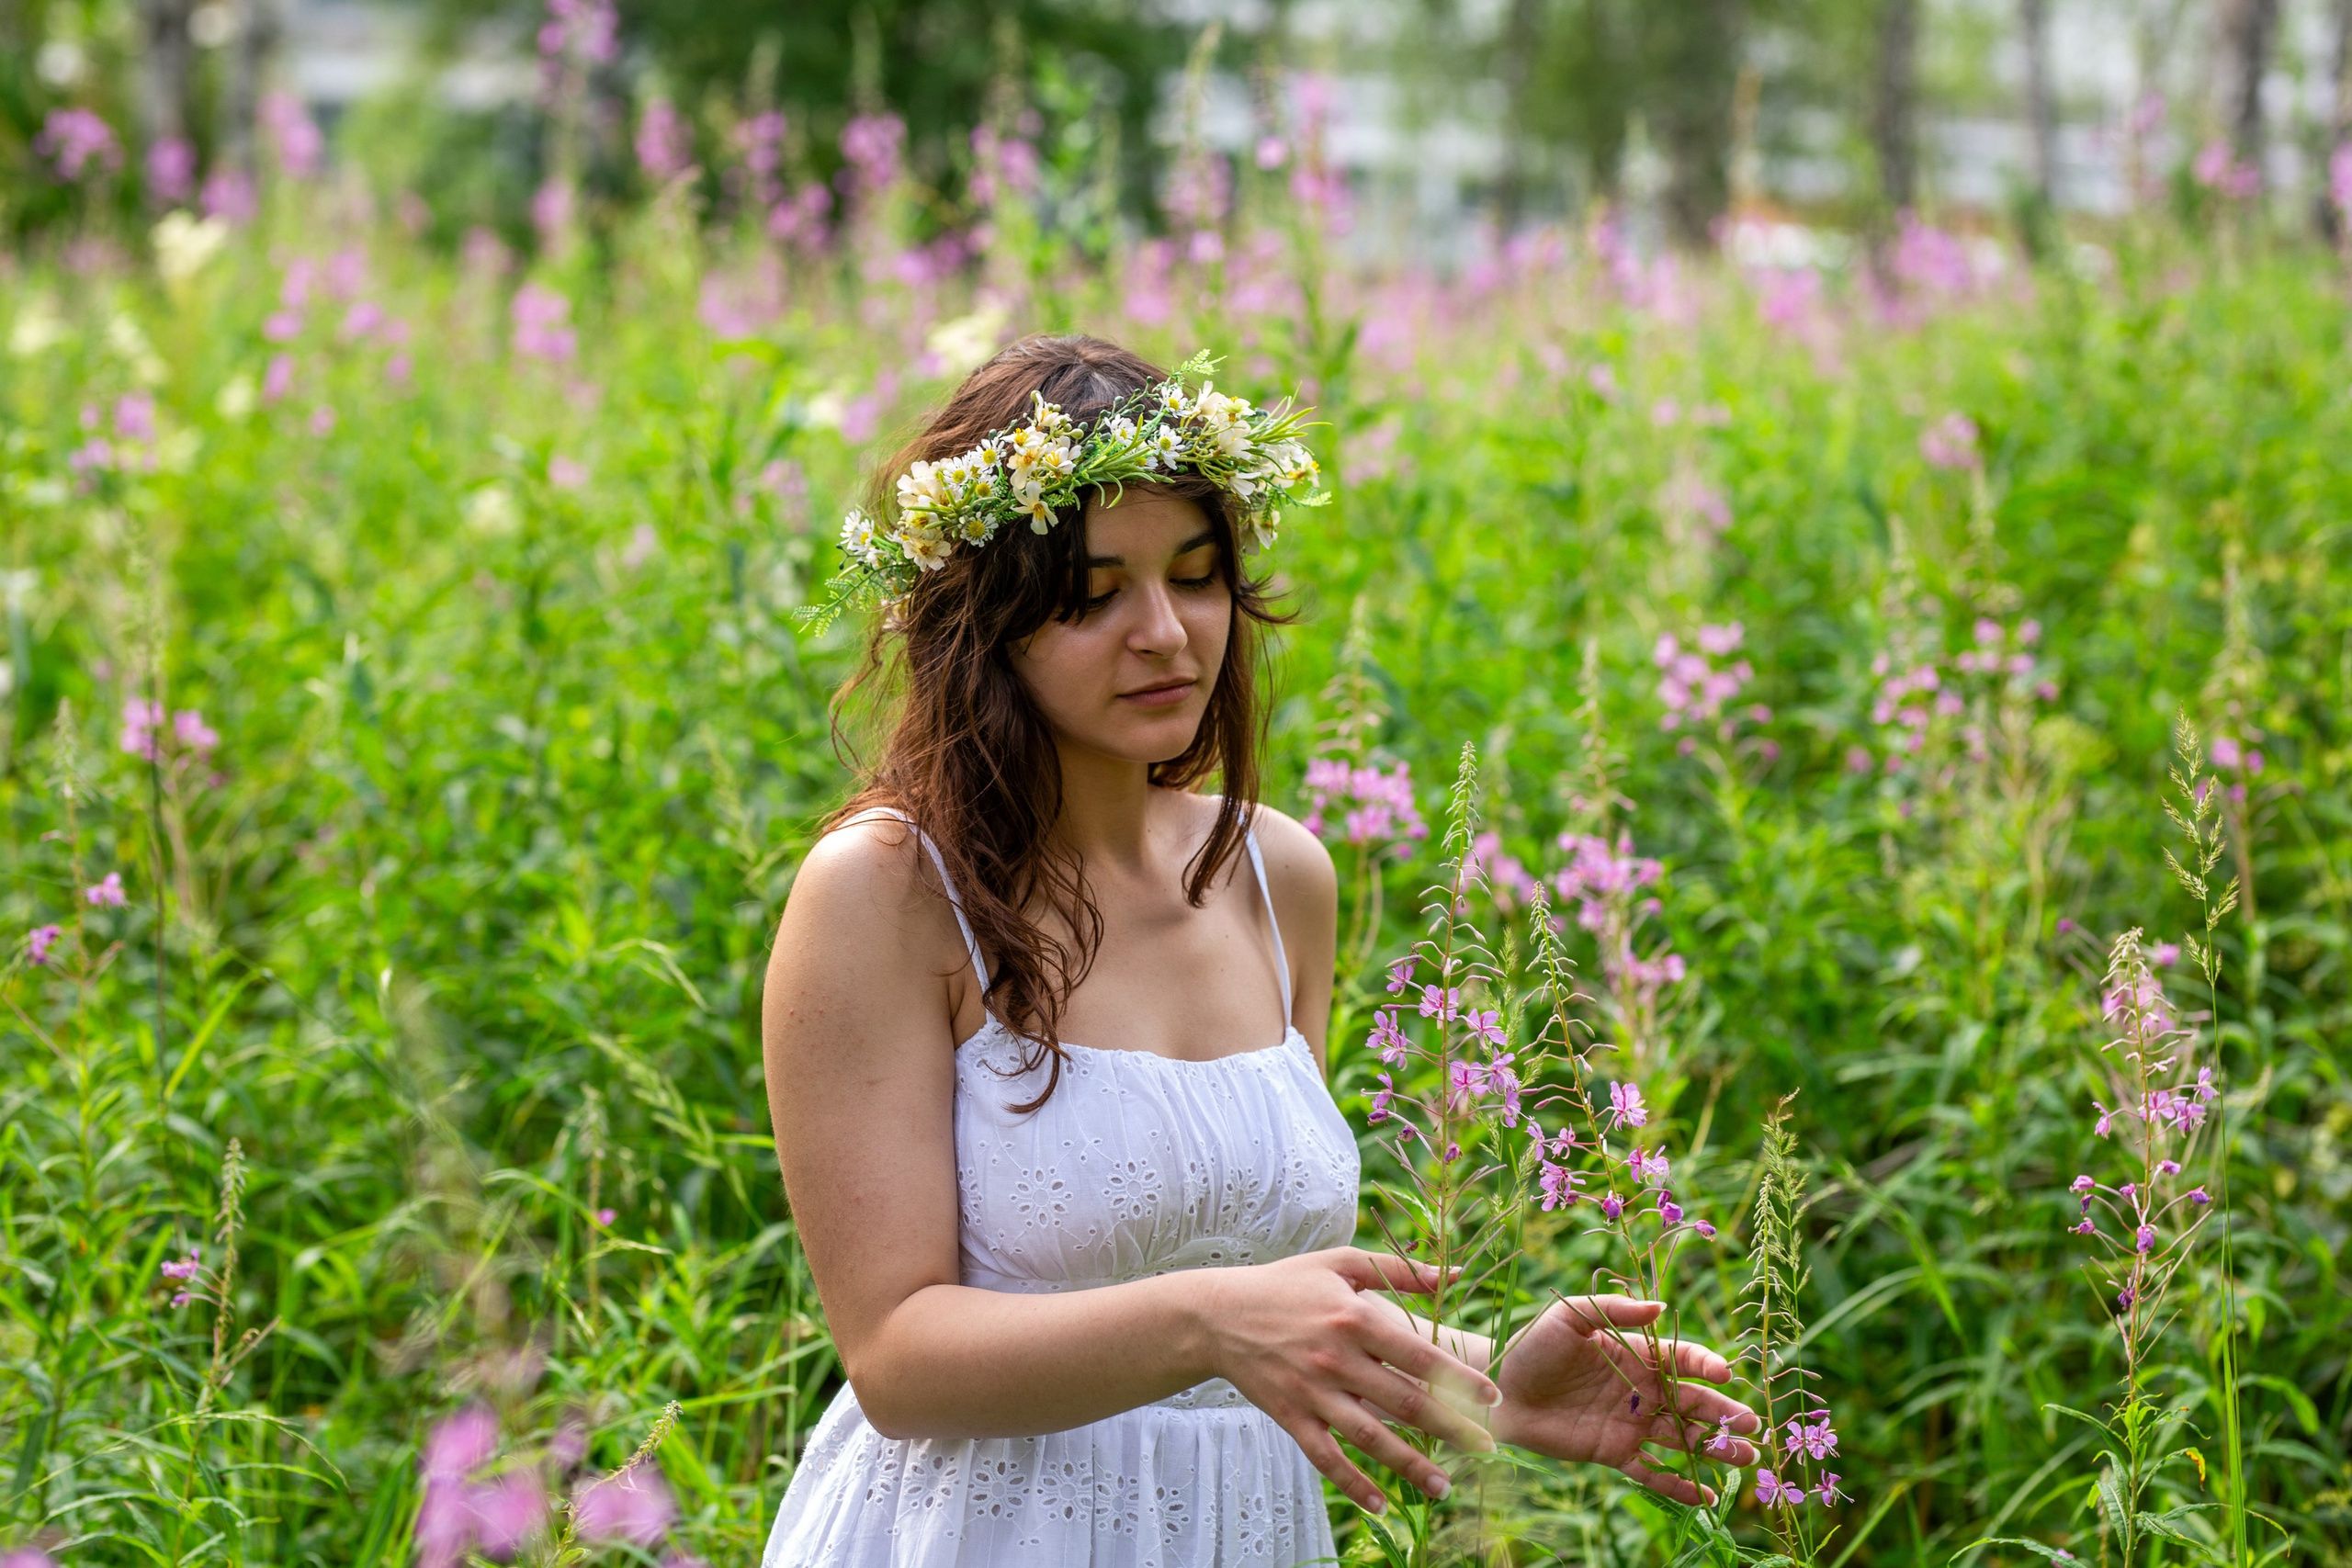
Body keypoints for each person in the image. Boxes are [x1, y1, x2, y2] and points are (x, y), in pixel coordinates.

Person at [760, 334, 1756, 1566]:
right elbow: (898, 1358)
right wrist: (1208, 1324)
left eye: (1196, 576)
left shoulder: (1280, 878)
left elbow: (1269, 1299)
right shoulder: (892, 892)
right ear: (988, 625)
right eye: (1092, 595)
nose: (1166, 633)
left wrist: (1497, 1384)